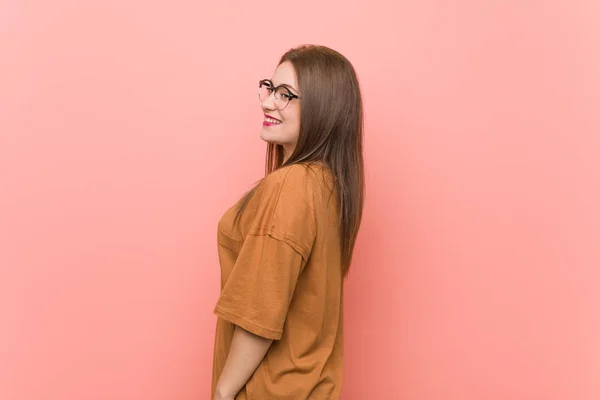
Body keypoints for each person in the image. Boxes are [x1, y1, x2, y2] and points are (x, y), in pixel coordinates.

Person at [211, 44, 365, 400]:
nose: (268, 103)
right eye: (270, 88)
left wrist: (223, 391)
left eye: (287, 95)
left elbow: (260, 313)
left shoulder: (290, 186)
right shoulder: (327, 185)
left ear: (323, 108)